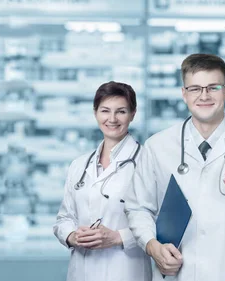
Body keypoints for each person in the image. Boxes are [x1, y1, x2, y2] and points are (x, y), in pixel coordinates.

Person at [124, 53, 225, 281]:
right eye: (195, 89)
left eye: (213, 87)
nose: (204, 96)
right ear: (184, 94)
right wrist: (151, 246)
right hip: (176, 273)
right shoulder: (158, 146)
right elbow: (138, 208)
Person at [53, 81, 152, 281]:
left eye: (121, 111)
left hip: (125, 271)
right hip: (81, 271)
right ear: (95, 113)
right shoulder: (79, 165)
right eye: (105, 111)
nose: (112, 119)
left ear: (133, 114)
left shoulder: (148, 162)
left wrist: (118, 237)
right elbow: (64, 219)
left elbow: (161, 223)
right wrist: (72, 236)